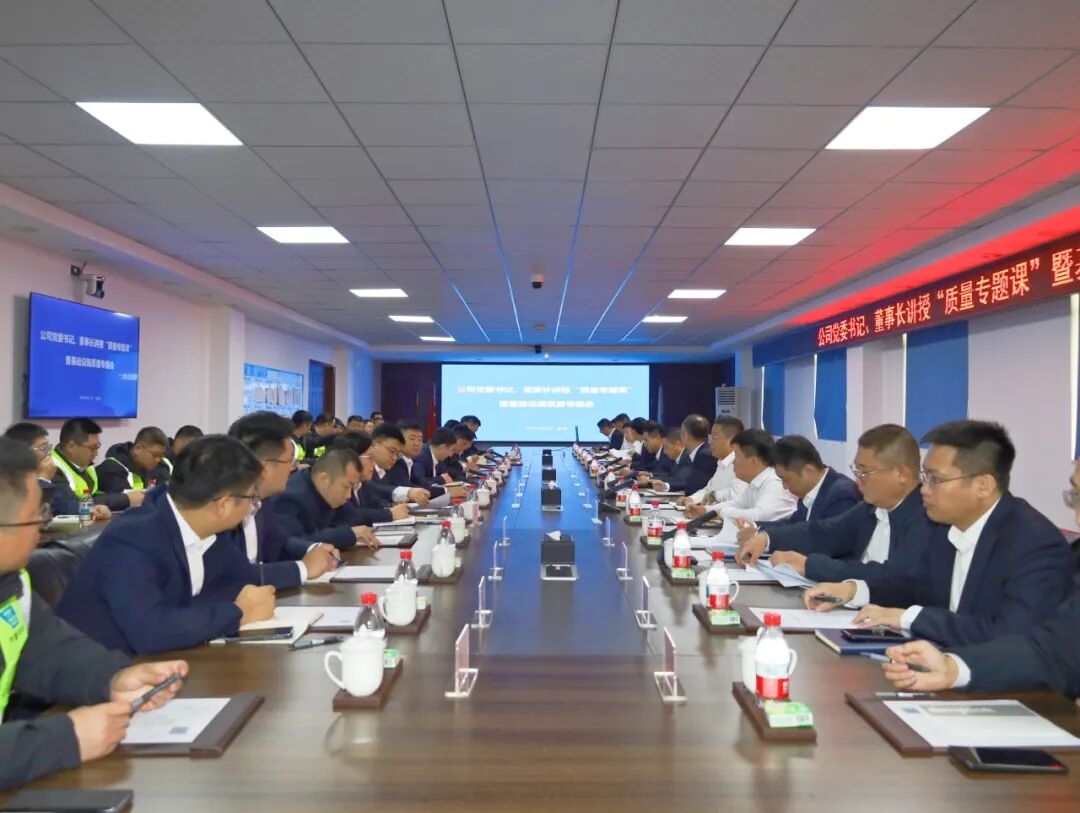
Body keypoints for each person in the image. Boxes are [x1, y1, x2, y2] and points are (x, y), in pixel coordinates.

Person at [0, 439, 188, 790]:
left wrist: (114, 677)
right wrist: (64, 739)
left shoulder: (12, 582)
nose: (41, 527)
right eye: (37, 517)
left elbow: (50, 651)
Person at [804, 421, 1073, 647]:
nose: (923, 489)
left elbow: (1012, 637)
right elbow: (916, 587)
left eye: (936, 479)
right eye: (925, 476)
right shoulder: (945, 527)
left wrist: (909, 619)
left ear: (983, 485)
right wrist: (853, 590)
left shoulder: (1034, 544)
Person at [57, 436, 276, 655]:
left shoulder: (205, 530)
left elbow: (239, 580)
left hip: (164, 661)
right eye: (251, 497)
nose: (254, 505)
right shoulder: (133, 537)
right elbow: (150, 631)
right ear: (224, 505)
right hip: (104, 670)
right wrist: (238, 613)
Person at [882, 460, 1080, 699]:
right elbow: (1053, 651)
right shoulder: (945, 528)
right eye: (1076, 495)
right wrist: (953, 668)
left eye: (936, 479)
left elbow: (1014, 632)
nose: (1077, 519)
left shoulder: (1033, 538)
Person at [736, 424, 932, 584]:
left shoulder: (926, 518)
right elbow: (823, 531)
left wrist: (809, 565)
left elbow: (893, 576)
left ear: (901, 473)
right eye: (856, 471)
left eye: (865, 472)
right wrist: (767, 537)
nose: (858, 481)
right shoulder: (869, 509)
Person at [224, 412, 339, 588]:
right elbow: (233, 575)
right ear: (264, 468)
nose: (293, 468)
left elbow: (279, 544)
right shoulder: (223, 508)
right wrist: (303, 568)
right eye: (289, 460)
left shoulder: (262, 501)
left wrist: (312, 549)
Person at [271, 448, 384, 551]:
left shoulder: (330, 493)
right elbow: (293, 544)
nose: (349, 495)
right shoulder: (290, 497)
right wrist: (348, 534)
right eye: (346, 487)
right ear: (325, 479)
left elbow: (351, 518)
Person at [688, 428, 796, 523]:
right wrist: (706, 511)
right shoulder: (756, 482)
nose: (734, 462)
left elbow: (758, 516)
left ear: (753, 461)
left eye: (737, 456)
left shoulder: (775, 482)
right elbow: (737, 504)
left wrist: (721, 513)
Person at [50, 418, 144, 514]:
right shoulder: (51, 468)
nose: (96, 454)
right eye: (92, 448)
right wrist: (125, 499)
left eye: (97, 447)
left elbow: (94, 497)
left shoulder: (85, 466)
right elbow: (73, 505)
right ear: (71, 446)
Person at [767, 435, 860, 524]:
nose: (785, 487)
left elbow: (819, 534)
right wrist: (759, 528)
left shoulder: (841, 496)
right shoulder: (808, 494)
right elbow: (790, 525)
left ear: (809, 471)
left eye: (786, 479)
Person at [326, 433, 408, 531]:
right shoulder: (335, 484)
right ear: (352, 459)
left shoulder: (363, 484)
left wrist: (390, 507)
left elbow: (376, 503)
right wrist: (390, 514)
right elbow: (351, 515)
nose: (374, 464)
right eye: (370, 458)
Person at [679, 416, 747, 508]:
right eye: (710, 437)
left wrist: (707, 508)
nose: (710, 442)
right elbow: (708, 490)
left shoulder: (742, 464)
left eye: (714, 437)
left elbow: (736, 497)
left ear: (732, 440)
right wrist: (691, 499)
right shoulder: (721, 463)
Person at [360, 424, 431, 508]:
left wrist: (391, 506)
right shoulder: (361, 467)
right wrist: (407, 492)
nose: (394, 458)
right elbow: (372, 488)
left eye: (397, 454)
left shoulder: (386, 470)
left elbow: (377, 500)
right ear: (374, 444)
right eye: (392, 451)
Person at [648, 415, 716, 496]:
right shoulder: (699, 452)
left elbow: (693, 487)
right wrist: (666, 486)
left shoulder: (704, 455)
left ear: (685, 435)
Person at [96, 426, 171, 494]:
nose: (158, 460)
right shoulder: (112, 468)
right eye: (154, 455)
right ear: (138, 448)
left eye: (161, 456)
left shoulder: (161, 466)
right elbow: (124, 500)